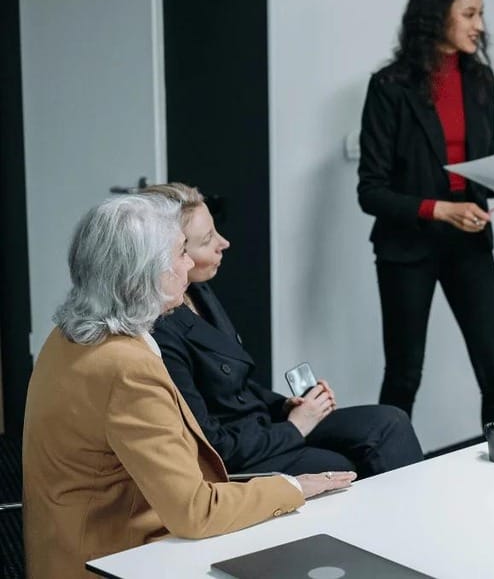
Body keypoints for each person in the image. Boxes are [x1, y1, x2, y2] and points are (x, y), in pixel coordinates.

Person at [22, 195, 354, 579]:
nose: (188, 263)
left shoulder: (68, 335)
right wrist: (294, 488)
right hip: (115, 558)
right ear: (146, 275)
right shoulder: (126, 368)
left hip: (69, 544)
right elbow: (195, 512)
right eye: (181, 252)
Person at [143, 183, 423, 478]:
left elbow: (236, 386)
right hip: (240, 452)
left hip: (263, 425)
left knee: (390, 422)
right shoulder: (160, 331)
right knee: (341, 463)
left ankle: (412, 520)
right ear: (170, 253)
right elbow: (211, 446)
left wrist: (285, 406)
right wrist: (295, 428)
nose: (224, 243)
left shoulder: (198, 290)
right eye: (207, 240)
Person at [357, 0, 494, 425]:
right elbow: (371, 192)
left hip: (469, 243)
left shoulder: (480, 80)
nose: (480, 25)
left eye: (481, 13)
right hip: (407, 248)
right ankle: (387, 473)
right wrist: (441, 210)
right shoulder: (390, 86)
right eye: (470, 13)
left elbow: (482, 164)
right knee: (403, 375)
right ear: (436, 17)